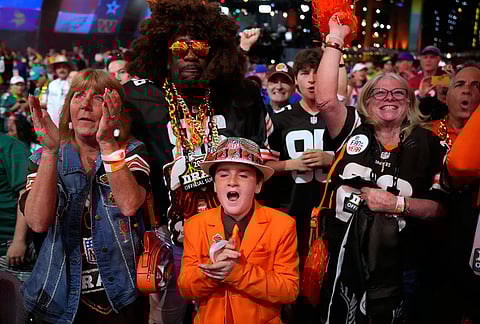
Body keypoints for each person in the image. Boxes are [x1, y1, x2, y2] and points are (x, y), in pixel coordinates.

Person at [126, 0, 268, 322]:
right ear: (162, 49)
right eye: (179, 46)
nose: (190, 55)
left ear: (215, 50)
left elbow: (259, 167)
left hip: (234, 238)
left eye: (200, 47)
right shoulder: (139, 99)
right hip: (169, 238)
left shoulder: (240, 97)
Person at [315, 14, 447, 323]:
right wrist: (336, 37)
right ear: (366, 101)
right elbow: (324, 99)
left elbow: (440, 210)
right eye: (380, 93)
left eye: (398, 92)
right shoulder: (351, 128)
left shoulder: (428, 142)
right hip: (345, 258)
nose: (389, 98)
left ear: (408, 102)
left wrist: (397, 204)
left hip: (402, 266)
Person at [21, 69, 150, 323]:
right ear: (69, 106)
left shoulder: (131, 151)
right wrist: (49, 151)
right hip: (55, 297)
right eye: (78, 96)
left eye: (98, 98)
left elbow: (129, 205)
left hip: (120, 298)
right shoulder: (42, 157)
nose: (86, 105)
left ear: (114, 109)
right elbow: (37, 221)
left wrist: (107, 143)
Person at [264, 47, 346, 323]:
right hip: (291, 214)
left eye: (317, 72)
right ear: (295, 79)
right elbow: (262, 168)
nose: (312, 79)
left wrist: (331, 158)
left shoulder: (342, 118)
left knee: (330, 286)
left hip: (333, 216)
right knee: (293, 288)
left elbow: (361, 161)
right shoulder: (279, 120)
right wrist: (291, 165)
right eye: (305, 73)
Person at [178, 137, 298, 324]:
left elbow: (289, 290)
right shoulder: (195, 224)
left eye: (243, 175)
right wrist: (212, 272)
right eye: (223, 175)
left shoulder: (282, 225)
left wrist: (238, 273)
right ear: (215, 184)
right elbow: (185, 289)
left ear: (258, 185)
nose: (232, 182)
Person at [0, 133, 31, 282]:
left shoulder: (10, 146)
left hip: (8, 251)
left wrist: (19, 240)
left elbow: (26, 193)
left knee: (14, 302)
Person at [432, 65, 480, 148]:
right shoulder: (426, 132)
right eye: (460, 85)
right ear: (446, 98)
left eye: (476, 86)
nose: (467, 90)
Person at [46, 55, 71, 127]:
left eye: (64, 67)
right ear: (55, 70)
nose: (61, 70)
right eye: (59, 67)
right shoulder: (51, 84)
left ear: (68, 69)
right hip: (53, 122)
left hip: (68, 123)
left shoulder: (73, 83)